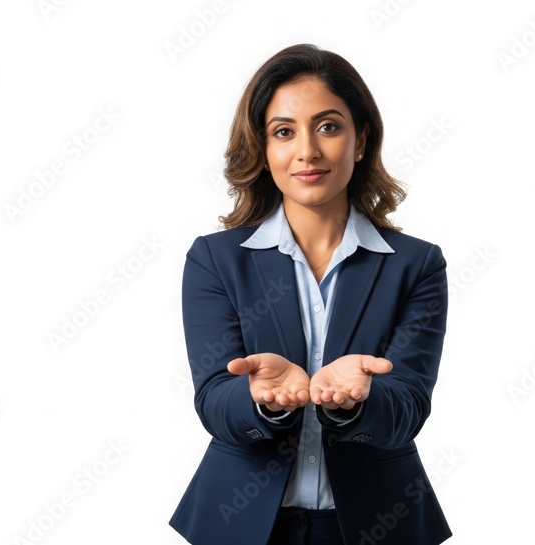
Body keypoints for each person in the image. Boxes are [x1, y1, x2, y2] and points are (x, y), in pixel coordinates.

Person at [170, 43, 452, 545]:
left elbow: (408, 407)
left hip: (380, 525)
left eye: (328, 126)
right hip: (240, 524)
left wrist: (354, 402)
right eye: (284, 131)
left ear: (360, 140)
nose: (307, 151)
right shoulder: (215, 259)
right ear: (263, 148)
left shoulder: (417, 264)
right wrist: (263, 400)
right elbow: (213, 400)